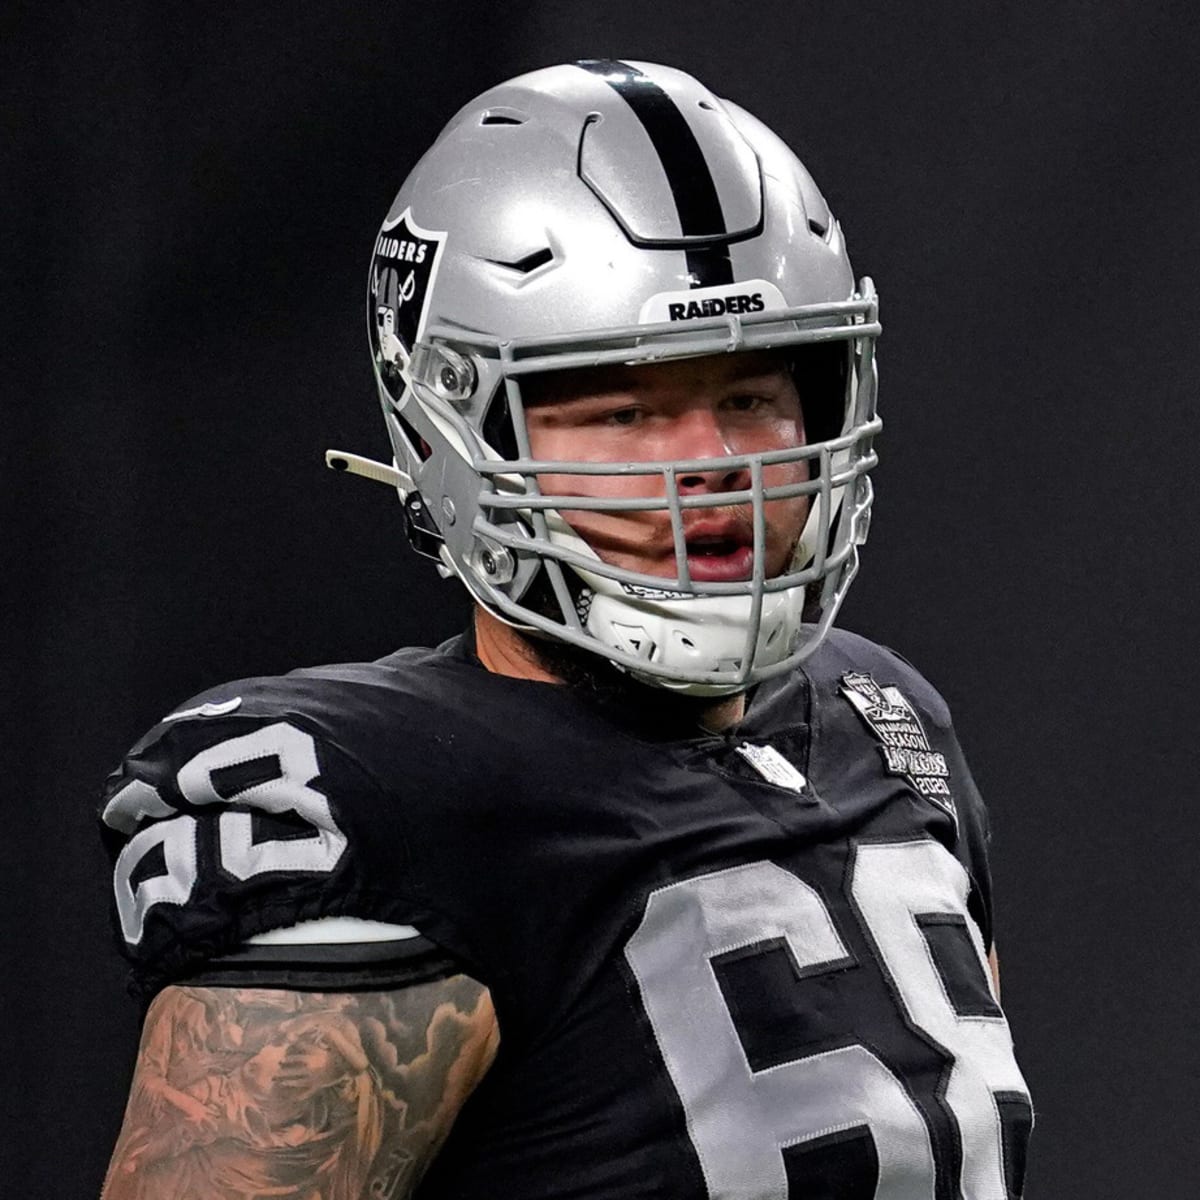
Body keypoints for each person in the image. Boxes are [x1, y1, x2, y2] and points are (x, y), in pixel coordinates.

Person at [99, 60, 1032, 1200]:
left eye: (750, 399)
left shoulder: (888, 720)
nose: (711, 471)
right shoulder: (385, 795)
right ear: (455, 427)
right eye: (624, 411)